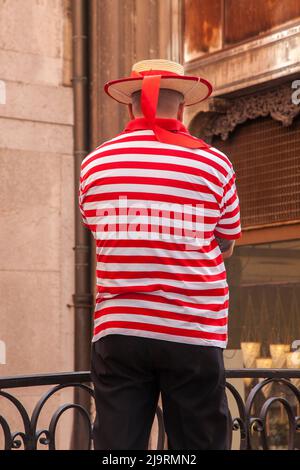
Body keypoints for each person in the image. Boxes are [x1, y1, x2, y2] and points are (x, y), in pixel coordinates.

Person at [78, 59, 242, 450]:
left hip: (120, 328)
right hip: (193, 328)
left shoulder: (95, 164)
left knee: (117, 447)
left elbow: (100, 232)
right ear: (183, 106)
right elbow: (228, 241)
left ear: (129, 105)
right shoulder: (214, 163)